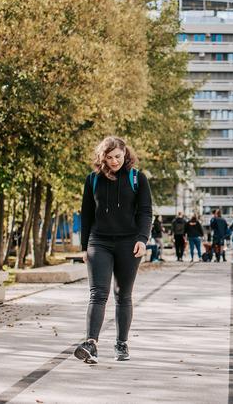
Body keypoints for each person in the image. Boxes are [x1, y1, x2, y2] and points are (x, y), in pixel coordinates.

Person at [75, 136, 152, 364]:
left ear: (125, 153)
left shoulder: (137, 178)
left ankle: (121, 343)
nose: (114, 161)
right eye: (109, 158)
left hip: (129, 243)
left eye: (117, 156)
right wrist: (83, 247)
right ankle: (91, 344)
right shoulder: (93, 180)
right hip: (99, 242)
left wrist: (142, 239)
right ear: (103, 158)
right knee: (98, 293)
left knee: (123, 295)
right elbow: (87, 214)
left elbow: (145, 211)